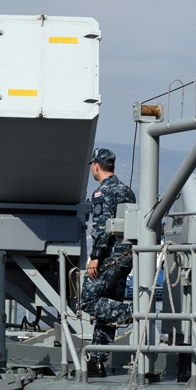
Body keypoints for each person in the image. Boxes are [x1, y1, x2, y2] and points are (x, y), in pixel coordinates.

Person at [80, 148, 137, 378]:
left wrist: (95, 256)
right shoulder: (128, 191)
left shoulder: (102, 192)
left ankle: (131, 312)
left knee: (88, 300)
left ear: (96, 165)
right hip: (126, 257)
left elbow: (102, 228)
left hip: (109, 258)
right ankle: (97, 361)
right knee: (108, 307)